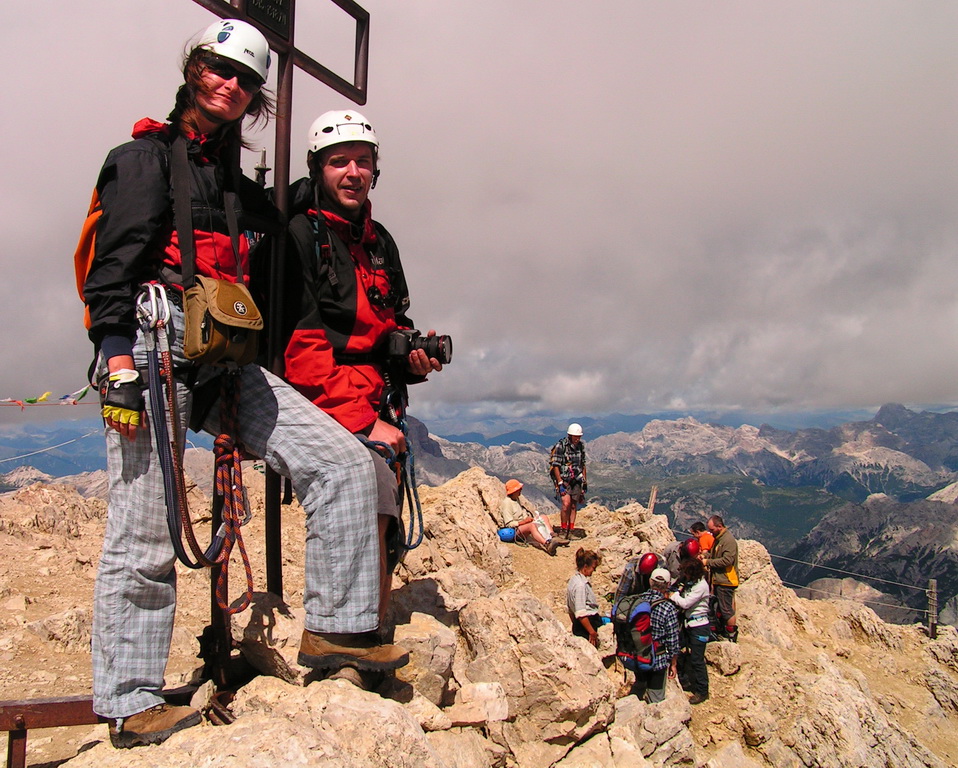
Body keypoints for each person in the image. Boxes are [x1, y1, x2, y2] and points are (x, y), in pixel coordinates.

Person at [83, 20, 401, 749]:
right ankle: (130, 702)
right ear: (194, 71)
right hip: (151, 351)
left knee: (345, 466)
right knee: (144, 530)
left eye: (244, 78)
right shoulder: (142, 161)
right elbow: (114, 270)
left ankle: (339, 635)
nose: (230, 84)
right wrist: (118, 362)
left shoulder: (238, 186)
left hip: (223, 360)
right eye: (218, 69)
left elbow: (284, 235)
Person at [280, 109, 444, 626]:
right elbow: (300, 345)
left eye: (363, 162)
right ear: (318, 170)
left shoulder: (380, 242)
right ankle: (352, 635)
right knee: (367, 501)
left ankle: (369, 622)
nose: (354, 172)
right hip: (331, 402)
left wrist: (413, 360)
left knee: (386, 517)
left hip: (379, 397)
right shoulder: (299, 237)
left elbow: (393, 319)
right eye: (340, 162)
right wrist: (360, 419)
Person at [630, 568, 681, 703]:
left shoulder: (637, 601)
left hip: (637, 656)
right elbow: (673, 639)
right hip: (658, 660)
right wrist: (673, 662)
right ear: (668, 585)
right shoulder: (668, 608)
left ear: (650, 581)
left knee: (638, 690)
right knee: (656, 699)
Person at [669, 557, 710, 704]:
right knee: (679, 649)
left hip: (699, 626)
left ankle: (702, 690)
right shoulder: (693, 583)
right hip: (689, 624)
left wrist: (673, 596)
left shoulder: (701, 587)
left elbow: (686, 603)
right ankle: (683, 678)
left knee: (697, 659)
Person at [498, 479, 565, 555]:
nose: (521, 490)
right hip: (515, 530)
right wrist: (523, 522)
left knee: (543, 517)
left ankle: (552, 536)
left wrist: (529, 518)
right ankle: (546, 544)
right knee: (531, 526)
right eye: (519, 489)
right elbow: (509, 523)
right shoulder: (507, 503)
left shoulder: (516, 499)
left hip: (523, 524)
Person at [702, 515, 739, 642]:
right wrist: (705, 555)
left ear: (719, 526)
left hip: (726, 580)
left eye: (712, 529)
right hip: (719, 579)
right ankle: (723, 629)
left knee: (726, 609)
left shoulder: (728, 541)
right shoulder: (718, 539)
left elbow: (727, 561)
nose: (710, 532)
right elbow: (715, 555)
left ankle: (731, 634)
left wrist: (708, 562)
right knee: (720, 607)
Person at [550, 423, 587, 539]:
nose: (577, 439)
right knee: (566, 504)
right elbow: (555, 465)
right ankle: (563, 529)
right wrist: (560, 482)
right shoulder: (561, 446)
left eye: (579, 437)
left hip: (576, 479)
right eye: (575, 437)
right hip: (564, 480)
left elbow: (583, 464)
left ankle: (570, 530)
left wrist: (584, 481)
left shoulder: (581, 446)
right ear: (570, 435)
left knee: (573, 505)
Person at [567, 548, 603, 647]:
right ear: (586, 566)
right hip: (587, 626)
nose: (593, 571)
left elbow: (570, 609)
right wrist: (592, 632)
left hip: (579, 625)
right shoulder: (581, 585)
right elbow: (581, 613)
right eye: (593, 568)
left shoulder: (573, 580)